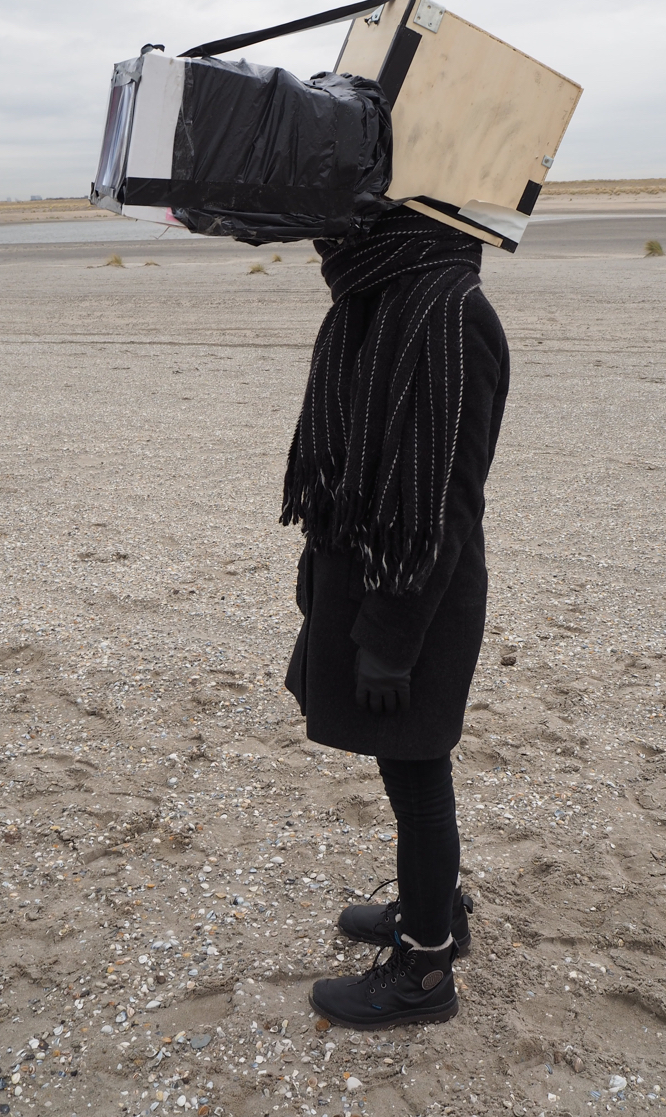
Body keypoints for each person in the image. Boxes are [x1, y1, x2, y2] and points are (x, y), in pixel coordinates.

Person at [281, 204, 509, 1030]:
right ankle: (434, 904)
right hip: (370, 575)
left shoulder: (452, 315)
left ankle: (425, 967)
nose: (335, 233)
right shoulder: (380, 296)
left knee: (418, 777)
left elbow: (445, 501)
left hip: (417, 596)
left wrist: (388, 639)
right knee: (403, 766)